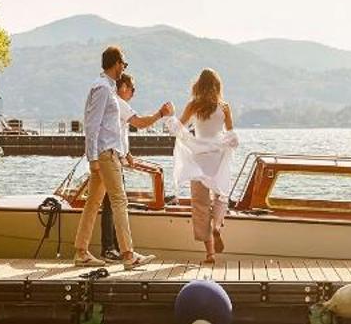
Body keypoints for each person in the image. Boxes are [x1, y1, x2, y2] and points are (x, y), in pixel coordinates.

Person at [73, 46, 170, 266]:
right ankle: (128, 255)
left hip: (108, 153)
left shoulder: (107, 89)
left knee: (94, 202)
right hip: (106, 154)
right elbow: (92, 125)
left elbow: (106, 125)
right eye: (123, 64)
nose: (123, 68)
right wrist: (93, 158)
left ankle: (81, 252)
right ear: (116, 63)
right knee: (119, 200)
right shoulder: (102, 89)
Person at [164, 68, 237, 265]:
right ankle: (217, 228)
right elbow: (231, 136)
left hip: (198, 160)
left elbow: (177, 127)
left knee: (200, 206)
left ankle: (210, 254)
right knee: (221, 195)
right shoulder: (225, 107)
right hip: (217, 159)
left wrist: (170, 116)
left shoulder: (194, 105)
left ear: (198, 85)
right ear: (217, 85)